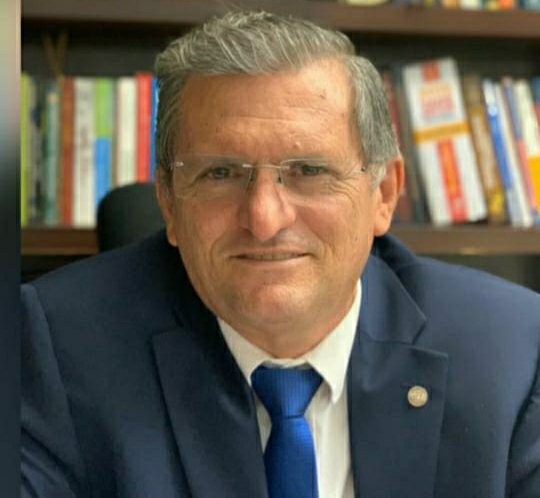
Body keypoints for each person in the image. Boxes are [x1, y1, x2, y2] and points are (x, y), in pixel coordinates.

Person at [22, 10, 540, 498]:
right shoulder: (57, 349)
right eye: (221, 173)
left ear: (383, 195)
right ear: (170, 203)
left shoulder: (513, 352)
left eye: (308, 171)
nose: (265, 219)